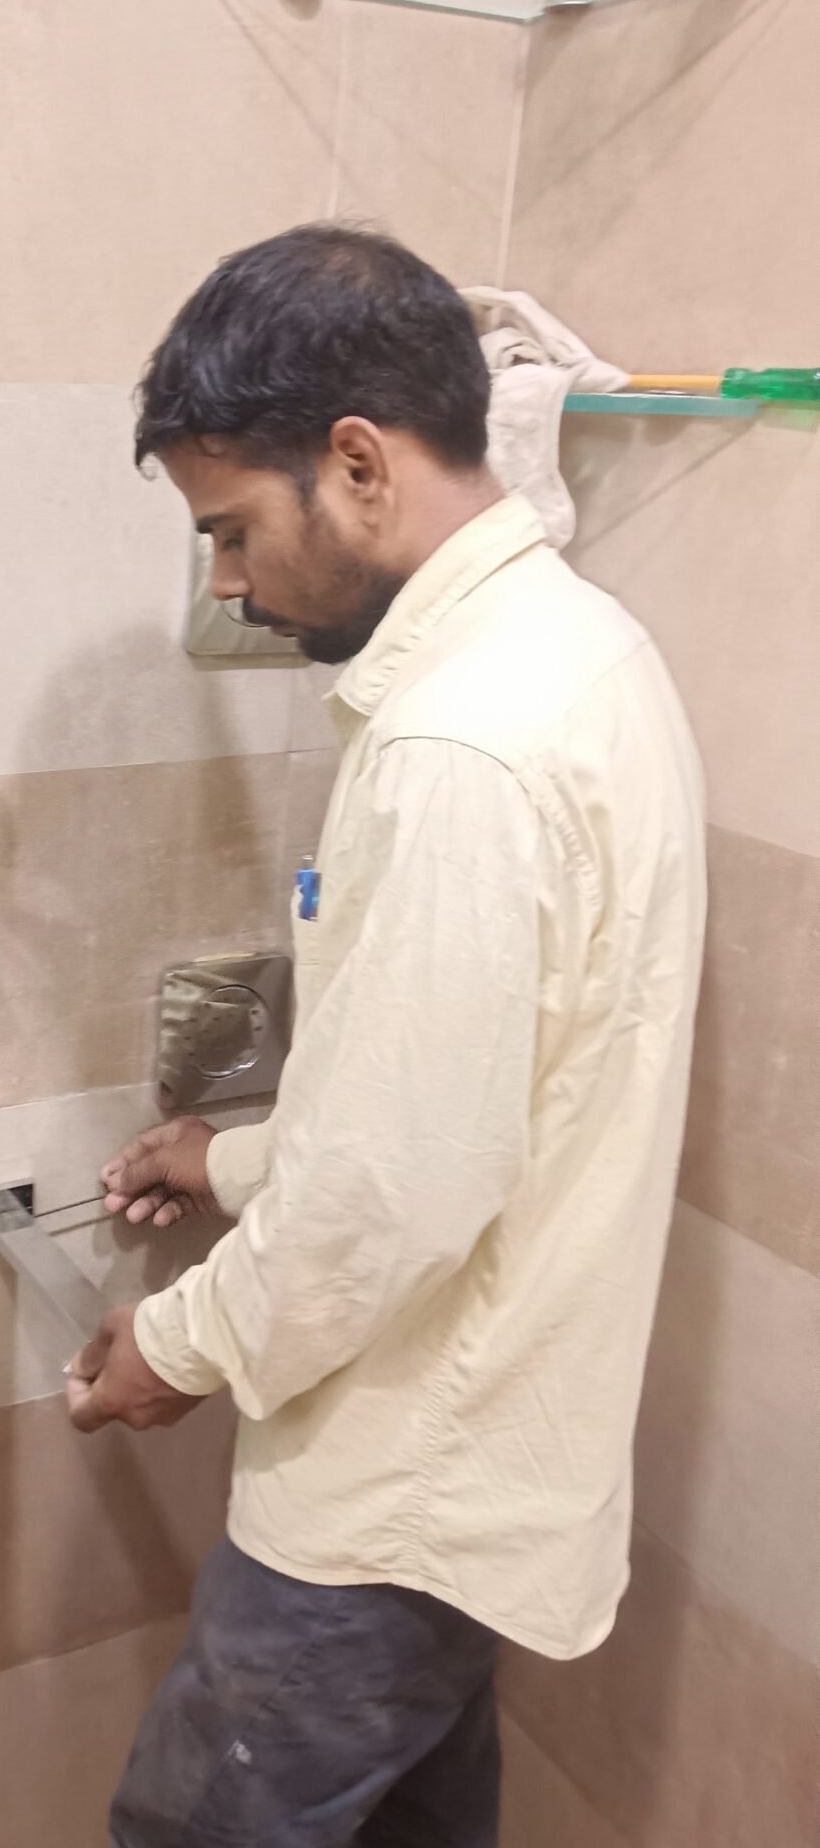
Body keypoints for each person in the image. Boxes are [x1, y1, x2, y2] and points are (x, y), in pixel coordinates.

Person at [66, 225, 706, 1847]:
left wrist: (175, 1347)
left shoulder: (459, 750)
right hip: (474, 1482)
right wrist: (231, 1154)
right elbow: (480, 1104)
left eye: (230, 529)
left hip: (383, 1514)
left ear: (356, 462)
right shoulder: (581, 655)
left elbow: (391, 1197)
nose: (226, 581)